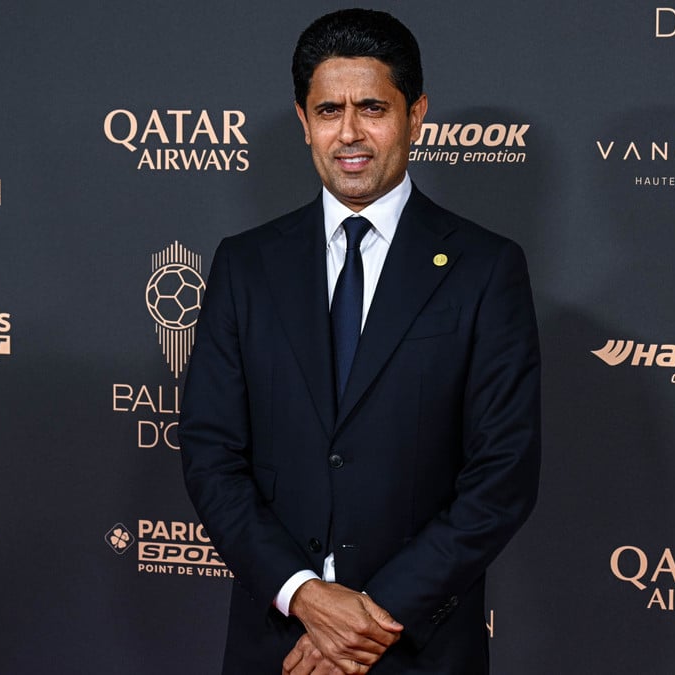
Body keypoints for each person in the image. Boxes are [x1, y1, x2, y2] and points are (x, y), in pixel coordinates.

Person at [179, 9, 541, 675]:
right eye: (328, 110)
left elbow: (502, 475)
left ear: (415, 114)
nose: (349, 132)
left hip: (415, 646)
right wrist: (303, 594)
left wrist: (367, 617)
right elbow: (210, 453)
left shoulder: (486, 268)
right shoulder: (245, 264)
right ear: (303, 121)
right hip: (277, 643)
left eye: (372, 108)